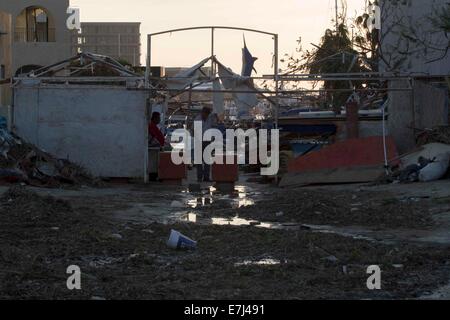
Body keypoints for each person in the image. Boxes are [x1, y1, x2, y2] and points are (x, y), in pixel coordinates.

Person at [194, 107, 217, 182]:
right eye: (205, 113)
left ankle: (206, 177)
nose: (206, 115)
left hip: (207, 141)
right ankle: (199, 177)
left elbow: (214, 126)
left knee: (207, 161)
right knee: (199, 161)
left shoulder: (210, 119)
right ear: (202, 112)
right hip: (199, 141)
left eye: (207, 114)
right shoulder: (197, 119)